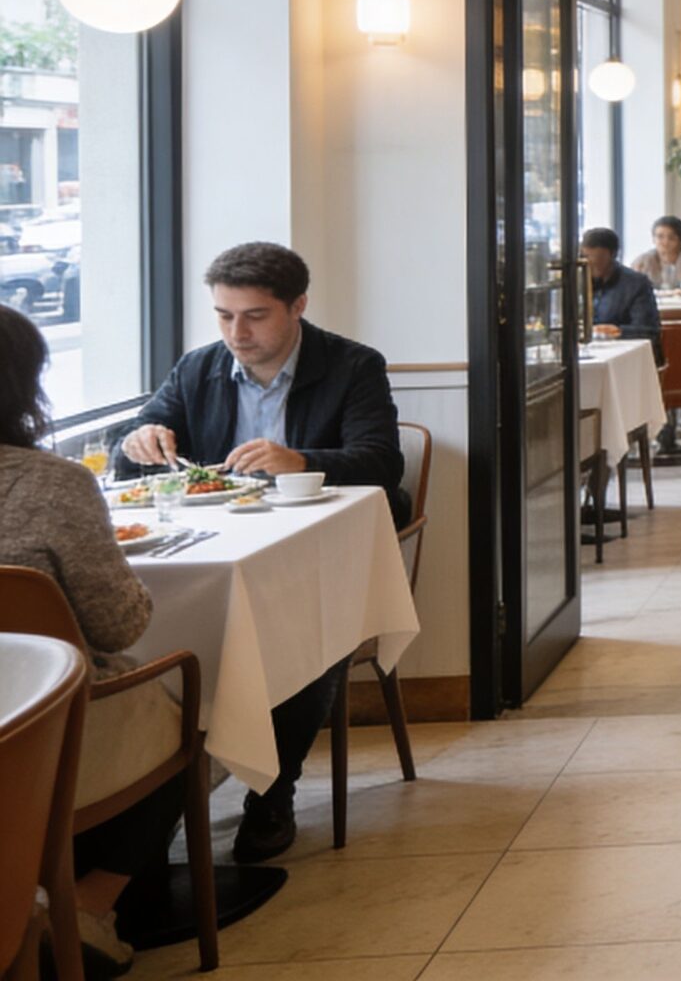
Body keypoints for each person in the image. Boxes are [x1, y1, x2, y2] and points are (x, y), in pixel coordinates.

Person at [115, 241, 406, 864]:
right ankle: (145, 812)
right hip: (222, 544)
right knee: (153, 633)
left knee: (310, 631)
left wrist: (301, 461)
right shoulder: (198, 369)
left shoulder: (352, 365)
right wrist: (137, 441)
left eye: (253, 316)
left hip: (317, 551)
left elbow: (382, 463)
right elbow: (132, 452)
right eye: (223, 315)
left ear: (297, 306)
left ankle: (272, 791)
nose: (236, 333)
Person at [0, 308, 171, 974]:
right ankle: (85, 905)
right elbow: (117, 625)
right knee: (190, 710)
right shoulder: (54, 483)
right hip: (37, 730)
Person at [580, 227, 660, 342]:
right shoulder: (578, 282)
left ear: (613, 255)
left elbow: (648, 329)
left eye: (599, 258)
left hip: (625, 349)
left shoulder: (636, 284)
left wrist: (618, 331)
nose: (592, 263)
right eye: (586, 258)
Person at [635, 215, 681, 290]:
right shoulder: (643, 261)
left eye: (671, 238)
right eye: (660, 237)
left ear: (680, 240)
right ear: (653, 239)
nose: (665, 242)